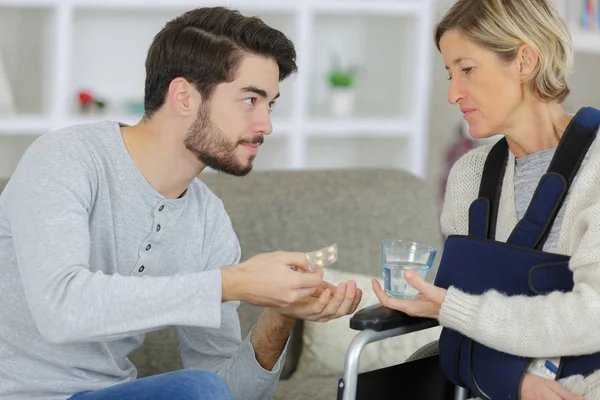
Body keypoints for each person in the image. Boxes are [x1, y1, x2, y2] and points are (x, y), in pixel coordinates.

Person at [0, 6, 362, 400]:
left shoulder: (208, 220)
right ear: (184, 96)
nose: (266, 125)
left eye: (269, 104)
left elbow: (229, 392)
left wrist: (281, 312)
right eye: (250, 100)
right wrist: (233, 282)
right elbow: (61, 309)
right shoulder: (65, 158)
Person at [372, 0, 600, 399]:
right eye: (449, 73)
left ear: (525, 61)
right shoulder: (469, 176)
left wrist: (453, 308)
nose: (452, 93)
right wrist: (513, 382)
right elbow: (460, 328)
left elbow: (592, 317)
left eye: (467, 69)